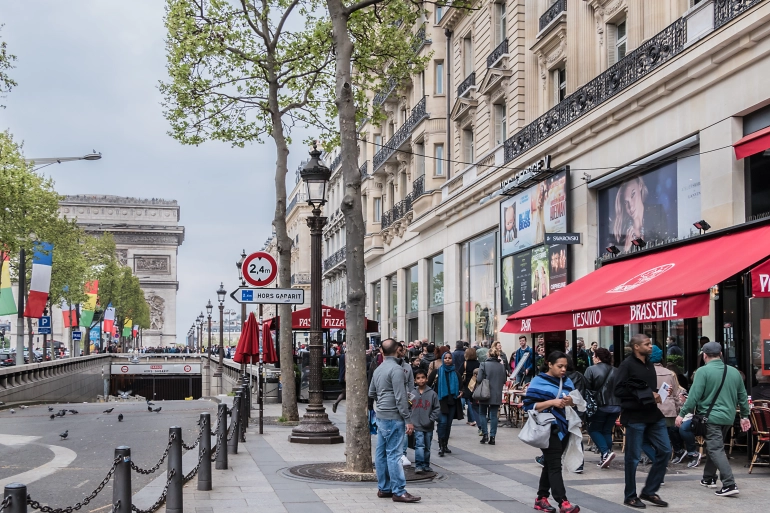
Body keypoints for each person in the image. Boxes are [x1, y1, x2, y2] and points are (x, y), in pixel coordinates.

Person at [675, 342, 751, 497]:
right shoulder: (734, 372)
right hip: (728, 418)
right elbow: (743, 396)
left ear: (704, 356)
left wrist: (682, 414)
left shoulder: (702, 372)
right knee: (714, 446)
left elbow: (694, 397)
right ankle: (708, 478)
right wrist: (744, 416)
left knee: (715, 449)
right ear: (721, 354)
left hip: (710, 418)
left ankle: (729, 484)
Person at [614, 334, 670, 508]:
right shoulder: (627, 365)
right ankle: (630, 495)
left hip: (653, 414)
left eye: (650, 343)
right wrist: (647, 394)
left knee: (666, 450)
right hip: (635, 416)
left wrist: (656, 396)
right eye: (647, 344)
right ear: (636, 347)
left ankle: (649, 491)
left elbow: (645, 388)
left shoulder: (649, 364)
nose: (650, 346)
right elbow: (619, 390)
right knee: (633, 458)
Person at [524, 351, 581, 513]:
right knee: (555, 464)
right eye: (560, 366)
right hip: (546, 428)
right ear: (549, 364)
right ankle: (563, 502)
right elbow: (529, 405)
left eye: (565, 366)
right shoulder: (538, 381)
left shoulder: (567, 381)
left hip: (564, 427)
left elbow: (575, 402)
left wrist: (571, 401)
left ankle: (541, 498)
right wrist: (552, 402)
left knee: (549, 464)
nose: (563, 369)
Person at [367, 338, 420, 503]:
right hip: (394, 416)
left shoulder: (378, 369)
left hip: (382, 415)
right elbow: (401, 398)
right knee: (394, 454)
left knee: (381, 453)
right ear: (398, 349)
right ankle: (398, 491)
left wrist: (381, 403)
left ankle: (384, 488)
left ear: (382, 352)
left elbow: (371, 393)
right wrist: (408, 419)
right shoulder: (397, 370)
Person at [584, 348, 620, 468]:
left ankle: (605, 453)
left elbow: (586, 388)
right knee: (606, 431)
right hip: (616, 406)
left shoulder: (591, 370)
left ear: (598, 357)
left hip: (600, 405)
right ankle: (605, 458)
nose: (593, 358)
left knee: (593, 430)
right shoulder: (617, 371)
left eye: (594, 356)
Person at [428, 351, 463, 456]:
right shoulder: (437, 372)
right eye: (446, 358)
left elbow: (461, 386)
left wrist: (461, 392)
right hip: (440, 402)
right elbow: (428, 386)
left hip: (452, 402)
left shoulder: (456, 373)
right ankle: (441, 446)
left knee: (448, 425)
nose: (448, 360)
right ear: (443, 359)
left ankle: (445, 444)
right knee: (442, 423)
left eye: (450, 358)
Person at [411, 369, 440, 474]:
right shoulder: (412, 393)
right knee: (419, 445)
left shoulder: (432, 394)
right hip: (417, 425)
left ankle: (426, 464)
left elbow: (437, 408)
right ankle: (418, 465)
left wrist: (431, 419)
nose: (421, 380)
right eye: (418, 378)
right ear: (415, 380)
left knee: (427, 446)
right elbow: (408, 406)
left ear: (426, 379)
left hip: (428, 425)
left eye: (423, 377)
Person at [477, 346, 507, 445]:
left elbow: (479, 379)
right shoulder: (502, 366)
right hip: (497, 393)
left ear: (488, 354)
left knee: (482, 413)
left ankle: (485, 434)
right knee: (494, 415)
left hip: (485, 392)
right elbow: (504, 380)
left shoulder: (483, 364)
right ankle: (492, 437)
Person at [397, 342, 415, 467]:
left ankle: (402, 453)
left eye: (402, 350)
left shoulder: (407, 367)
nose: (401, 353)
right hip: (390, 403)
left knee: (404, 428)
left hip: (404, 401)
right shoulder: (384, 366)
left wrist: (409, 399)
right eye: (399, 350)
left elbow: (411, 385)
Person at [462, 347, 480, 426]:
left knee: (470, 401)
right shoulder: (478, 363)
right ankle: (470, 419)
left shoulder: (465, 363)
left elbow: (459, 372)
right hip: (476, 384)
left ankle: (473, 419)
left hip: (467, 384)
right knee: (473, 401)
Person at [332, 347, 346, 413]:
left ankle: (336, 403)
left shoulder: (341, 356)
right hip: (344, 377)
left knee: (344, 392)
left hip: (341, 377)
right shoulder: (346, 357)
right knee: (344, 392)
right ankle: (336, 403)